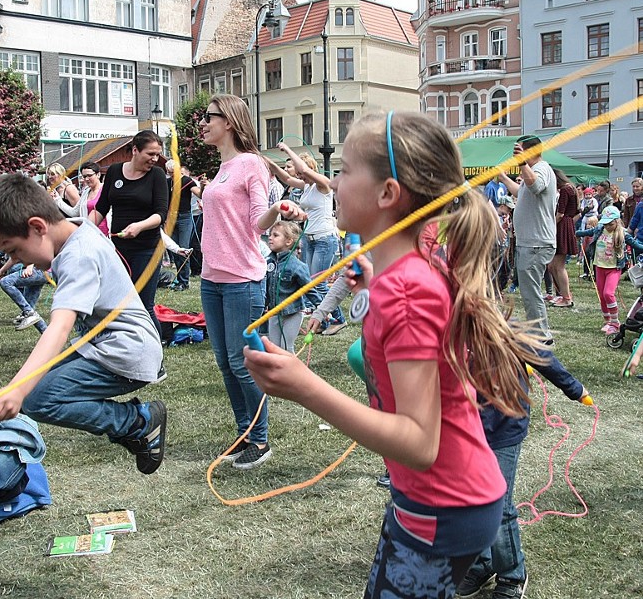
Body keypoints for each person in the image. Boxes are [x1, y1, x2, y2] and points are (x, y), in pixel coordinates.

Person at [244, 111, 546, 598]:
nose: (332, 181)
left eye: (343, 170)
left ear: (387, 194)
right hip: (432, 499)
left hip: (446, 502)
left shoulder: (408, 289)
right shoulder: (402, 276)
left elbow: (420, 442)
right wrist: (372, 286)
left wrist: (304, 387)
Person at [0, 174, 167, 475]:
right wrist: (18, 386)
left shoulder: (79, 255)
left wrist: (18, 390)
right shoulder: (75, 230)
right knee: (35, 387)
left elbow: (60, 327)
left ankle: (138, 421)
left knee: (38, 399)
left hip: (126, 351)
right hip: (106, 344)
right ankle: (137, 421)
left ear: (38, 226)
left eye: (13, 250)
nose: (15, 258)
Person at [198, 94, 303, 470]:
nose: (203, 124)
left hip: (242, 278)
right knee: (226, 363)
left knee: (243, 363)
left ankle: (259, 440)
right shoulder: (222, 167)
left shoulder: (251, 165)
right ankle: (245, 432)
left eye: (209, 117)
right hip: (211, 278)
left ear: (228, 121)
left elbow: (259, 220)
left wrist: (280, 209)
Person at [458, 349, 591, 599]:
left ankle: (512, 575)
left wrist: (576, 389)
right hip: (468, 429)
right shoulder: (447, 328)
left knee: (498, 506)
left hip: (503, 429)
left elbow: (544, 358)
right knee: (469, 502)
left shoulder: (508, 328)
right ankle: (482, 563)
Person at [89, 130, 169, 343]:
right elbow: (101, 207)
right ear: (135, 150)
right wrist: (84, 231)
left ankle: (155, 351)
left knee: (142, 303)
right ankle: (127, 345)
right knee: (118, 301)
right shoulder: (114, 171)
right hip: (119, 250)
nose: (154, 159)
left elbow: (161, 214)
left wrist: (139, 226)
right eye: (150, 154)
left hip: (148, 249)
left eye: (157, 155)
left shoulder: (157, 175)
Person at [271, 142, 347, 330]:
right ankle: (322, 318)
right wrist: (264, 161)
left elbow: (302, 168)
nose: (299, 176)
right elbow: (287, 179)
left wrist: (288, 149)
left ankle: (337, 319)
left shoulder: (323, 185)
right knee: (309, 281)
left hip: (324, 239)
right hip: (309, 239)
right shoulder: (307, 187)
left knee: (318, 283)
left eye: (302, 173)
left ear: (309, 169)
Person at [498, 136, 557, 342]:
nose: (516, 155)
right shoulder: (533, 171)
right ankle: (539, 332)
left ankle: (542, 335)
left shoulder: (542, 169)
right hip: (530, 242)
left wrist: (522, 163)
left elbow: (535, 186)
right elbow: (522, 192)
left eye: (520, 151)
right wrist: (504, 178)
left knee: (531, 291)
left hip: (536, 243)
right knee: (528, 289)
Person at [574, 206, 640, 335]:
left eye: (610, 224)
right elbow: (587, 232)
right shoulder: (600, 230)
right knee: (602, 296)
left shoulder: (622, 234)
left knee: (608, 294)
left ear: (617, 221)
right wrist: (575, 233)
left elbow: (636, 245)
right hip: (599, 266)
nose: (608, 226)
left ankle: (615, 323)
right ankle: (607, 321)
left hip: (613, 268)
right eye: (605, 223)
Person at [265, 221, 311, 352]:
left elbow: (309, 289)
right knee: (274, 347)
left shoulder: (297, 266)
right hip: (274, 312)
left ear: (289, 241)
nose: (270, 238)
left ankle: (290, 371)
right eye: (270, 234)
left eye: (275, 235)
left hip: (292, 313)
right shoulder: (269, 262)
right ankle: (277, 371)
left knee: (286, 347)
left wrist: (321, 309)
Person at [163, 161, 201, 292]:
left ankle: (184, 282)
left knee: (183, 248)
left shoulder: (186, 180)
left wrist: (205, 188)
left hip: (184, 218)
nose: (171, 175)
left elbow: (199, 193)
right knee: (175, 249)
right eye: (169, 173)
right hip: (171, 218)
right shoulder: (168, 183)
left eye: (173, 173)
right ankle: (179, 279)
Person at [0, 256, 49, 333]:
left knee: (5, 282)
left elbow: (36, 248)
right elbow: (15, 257)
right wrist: (1, 271)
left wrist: (30, 266)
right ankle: (48, 335)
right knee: (31, 312)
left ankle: (29, 312)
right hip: (44, 270)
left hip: (42, 269)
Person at [547, 169, 577, 308]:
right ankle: (561, 295)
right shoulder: (571, 188)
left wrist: (549, 226)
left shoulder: (565, 190)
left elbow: (560, 214)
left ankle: (566, 297)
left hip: (562, 226)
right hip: (566, 224)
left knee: (558, 266)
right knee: (553, 265)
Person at [73, 162, 107, 234]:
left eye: (89, 175)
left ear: (98, 174)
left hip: (106, 234)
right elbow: (75, 212)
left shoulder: (106, 189)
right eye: (84, 176)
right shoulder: (85, 192)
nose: (87, 179)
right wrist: (57, 200)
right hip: (90, 234)